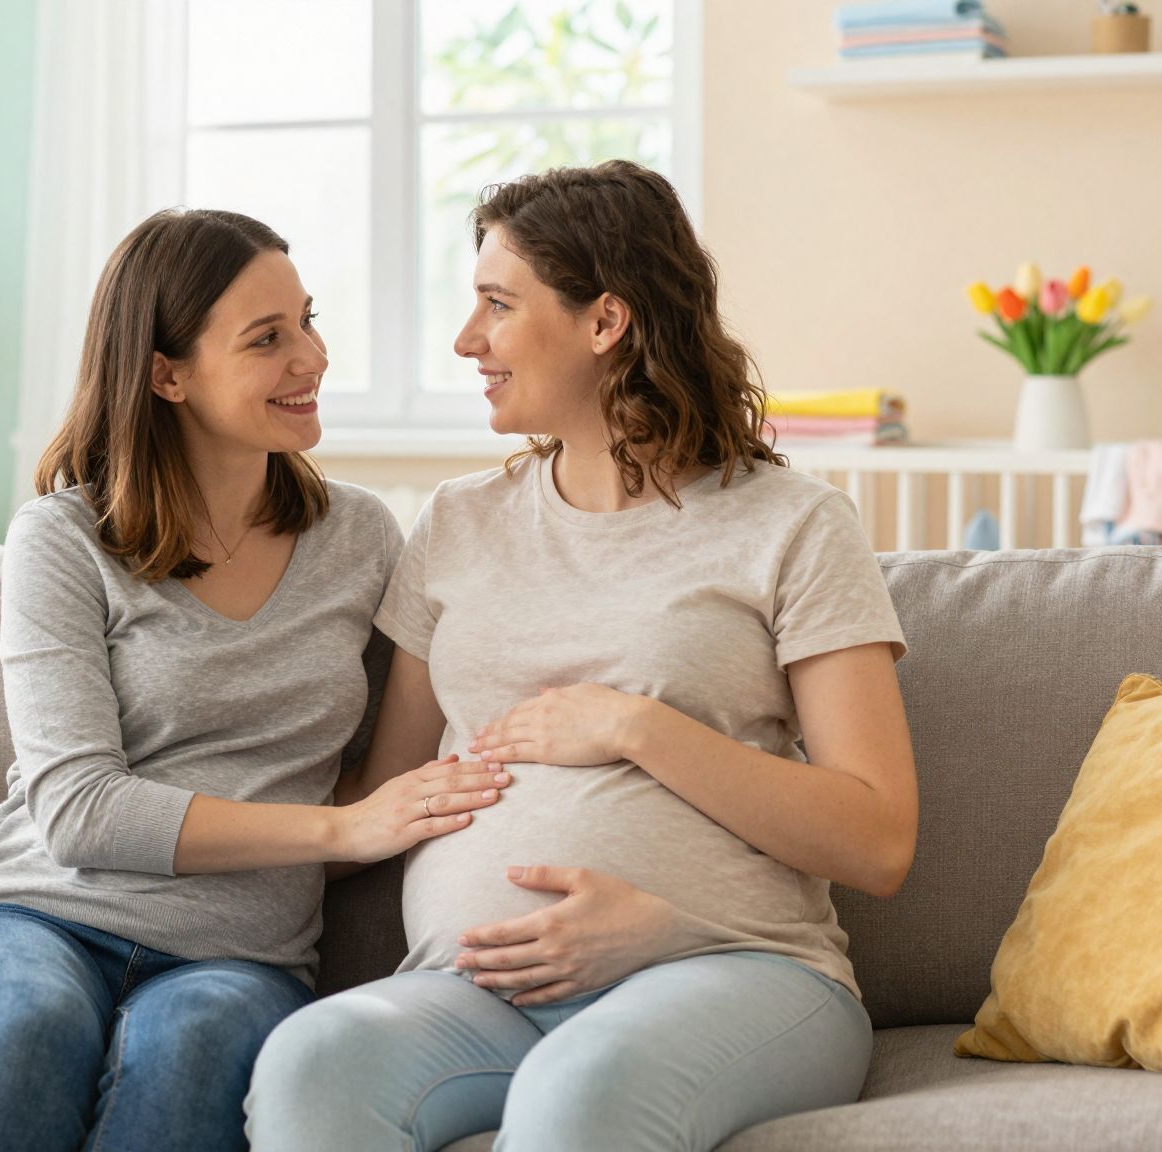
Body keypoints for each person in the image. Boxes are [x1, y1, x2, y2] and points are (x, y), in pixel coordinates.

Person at [247, 162, 918, 1151]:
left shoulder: (789, 525)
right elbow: (382, 790)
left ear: (604, 321)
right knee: (310, 1062)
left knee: (581, 1089)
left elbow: (876, 838)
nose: (465, 340)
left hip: (737, 970)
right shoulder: (458, 524)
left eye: (496, 305)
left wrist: (633, 727)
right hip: (472, 994)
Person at [0, 208, 509, 1152]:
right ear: (166, 374)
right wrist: (338, 826)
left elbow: (381, 791)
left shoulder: (360, 540)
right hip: (33, 916)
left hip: (241, 953)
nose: (310, 358)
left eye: (307, 321)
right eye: (268, 339)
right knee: (29, 1031)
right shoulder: (64, 539)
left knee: (190, 1052)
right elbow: (78, 810)